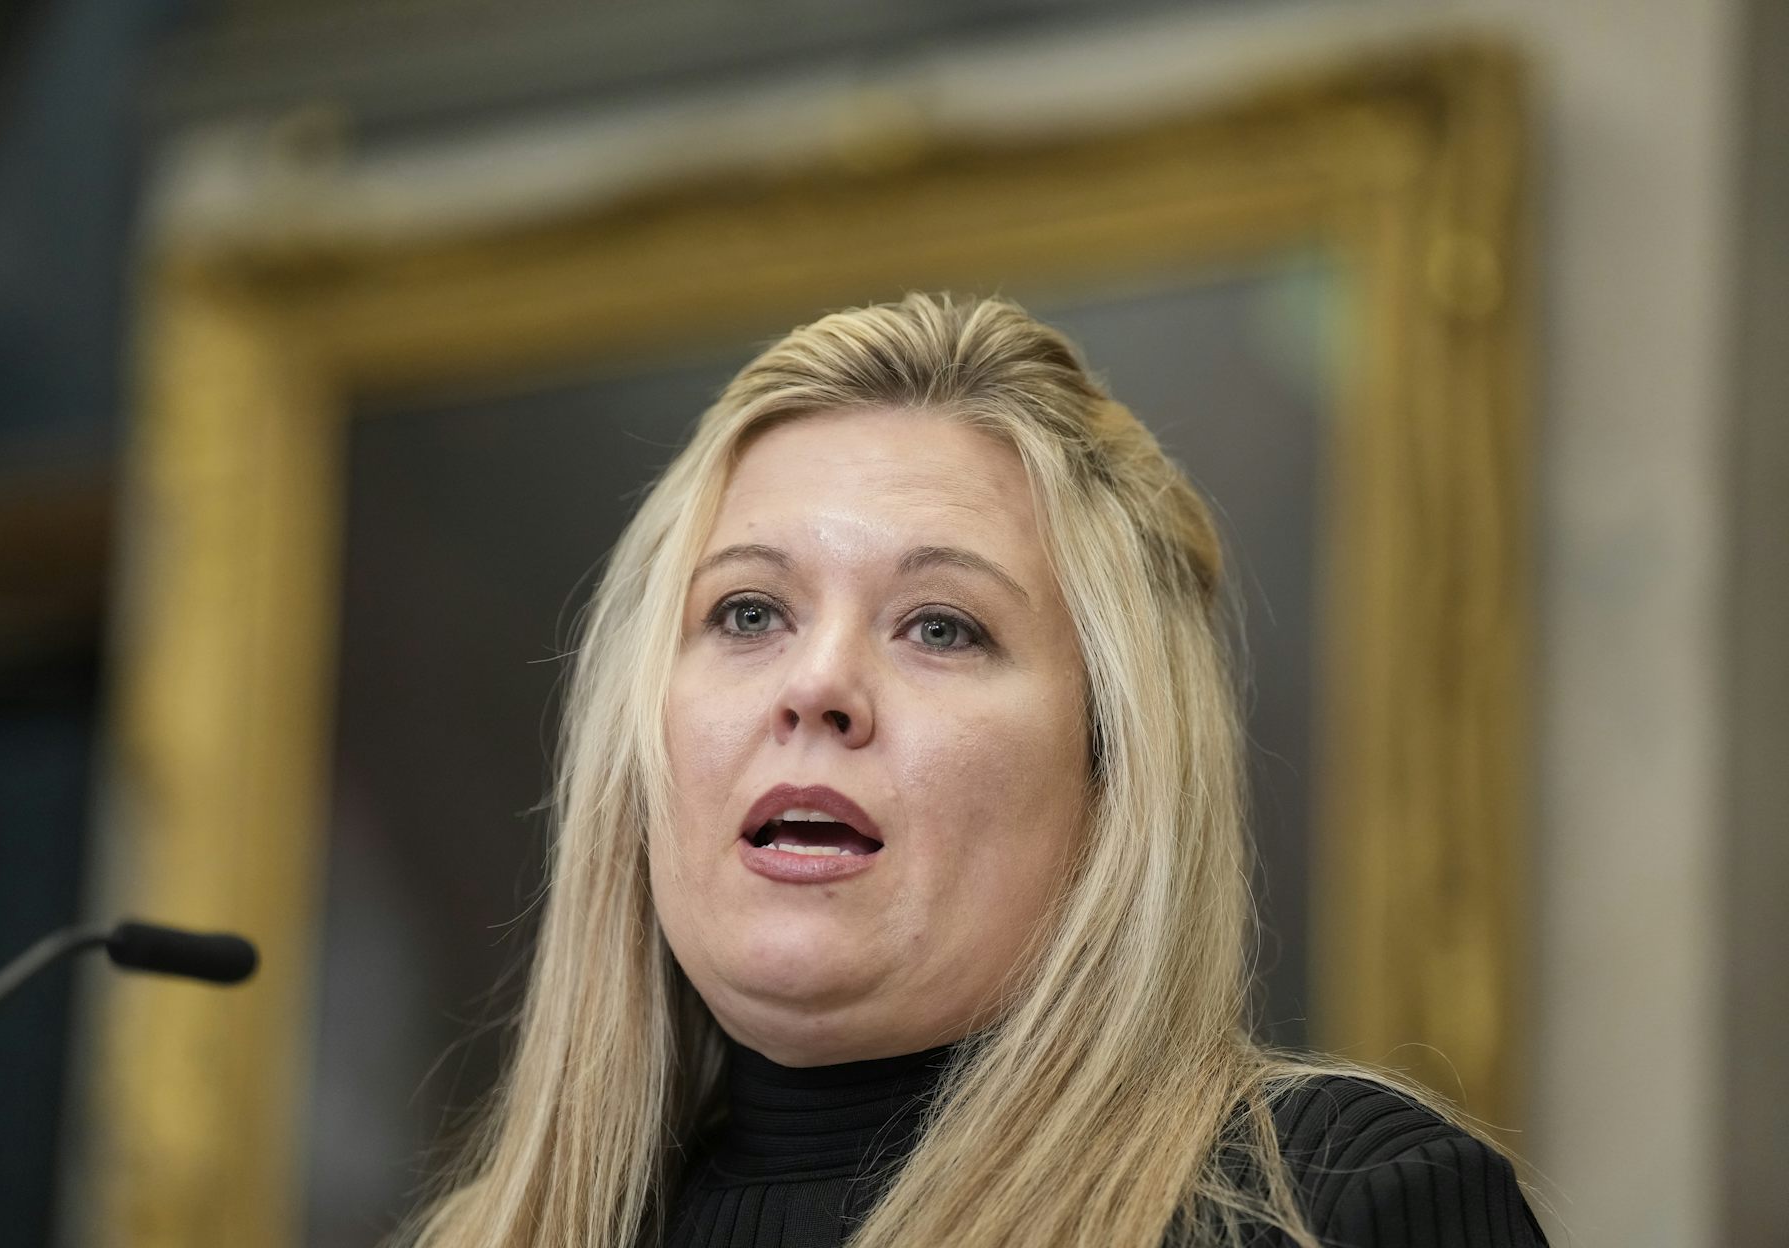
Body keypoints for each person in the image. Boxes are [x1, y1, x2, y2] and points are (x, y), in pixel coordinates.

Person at [399, 293, 1549, 1247]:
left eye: (941, 627)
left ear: (1112, 775)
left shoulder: (1343, 1210)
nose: (819, 685)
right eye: (748, 612)